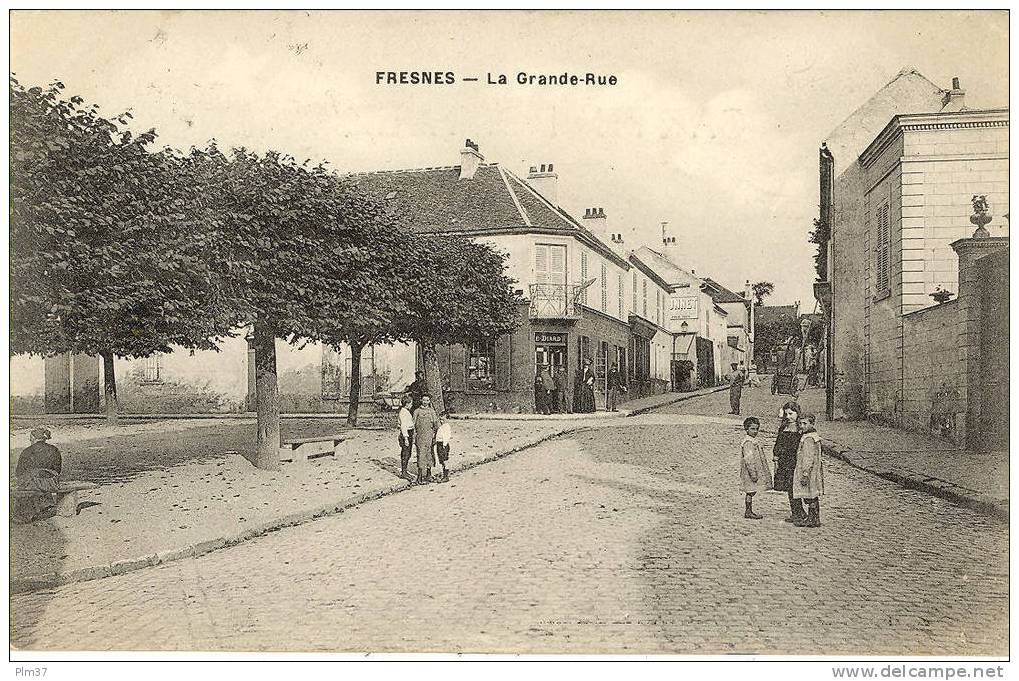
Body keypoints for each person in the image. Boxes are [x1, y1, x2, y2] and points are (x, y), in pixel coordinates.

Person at [13, 427, 63, 524]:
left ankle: (24, 516)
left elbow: (18, 472)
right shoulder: (54, 449)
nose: (30, 440)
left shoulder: (27, 451)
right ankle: (45, 506)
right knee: (34, 482)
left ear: (34, 438)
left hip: (35, 483)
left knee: (25, 485)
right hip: (52, 483)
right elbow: (58, 470)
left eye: (30, 438)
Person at [772, 401, 805, 523]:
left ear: (797, 413)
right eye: (786, 414)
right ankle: (796, 512)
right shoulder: (784, 427)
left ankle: (800, 512)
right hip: (784, 461)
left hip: (795, 461)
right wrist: (776, 457)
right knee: (789, 487)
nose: (788, 417)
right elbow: (778, 443)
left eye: (791, 414)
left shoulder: (800, 429)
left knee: (795, 487)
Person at [792, 413, 824, 528]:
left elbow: (808, 458)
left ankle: (812, 518)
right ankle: (815, 518)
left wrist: (805, 473)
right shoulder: (813, 436)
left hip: (807, 472)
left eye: (805, 423)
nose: (802, 426)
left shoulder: (809, 439)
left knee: (809, 495)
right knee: (812, 494)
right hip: (813, 471)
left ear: (812, 423)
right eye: (800, 423)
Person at [740, 417, 773, 520]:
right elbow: (749, 459)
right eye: (752, 429)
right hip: (750, 471)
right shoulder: (748, 443)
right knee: (750, 491)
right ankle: (748, 511)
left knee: (752, 491)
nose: (755, 431)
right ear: (746, 429)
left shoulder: (753, 440)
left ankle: (749, 510)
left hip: (755, 469)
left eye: (756, 429)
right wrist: (753, 473)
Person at [412, 394, 440, 484]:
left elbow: (436, 425)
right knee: (421, 454)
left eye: (427, 400)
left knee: (430, 455)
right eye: (424, 400)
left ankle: (429, 474)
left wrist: (436, 436)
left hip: (430, 437)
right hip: (420, 437)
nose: (425, 402)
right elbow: (413, 425)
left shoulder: (432, 412)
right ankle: (419, 477)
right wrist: (413, 437)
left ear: (429, 401)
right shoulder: (417, 411)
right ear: (421, 400)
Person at [397, 394, 415, 481]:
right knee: (406, 453)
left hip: (409, 432)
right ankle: (403, 472)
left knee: (408, 453)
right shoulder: (403, 412)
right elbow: (403, 426)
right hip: (406, 434)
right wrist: (406, 438)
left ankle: (405, 470)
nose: (411, 405)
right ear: (407, 403)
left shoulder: (405, 411)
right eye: (411, 403)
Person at [435, 417, 453, 483]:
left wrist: (444, 445)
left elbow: (447, 436)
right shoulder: (442, 426)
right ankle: (443, 473)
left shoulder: (446, 426)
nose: (441, 421)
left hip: (443, 444)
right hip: (439, 443)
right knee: (441, 459)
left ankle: (446, 476)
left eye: (443, 419)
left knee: (444, 459)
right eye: (440, 419)